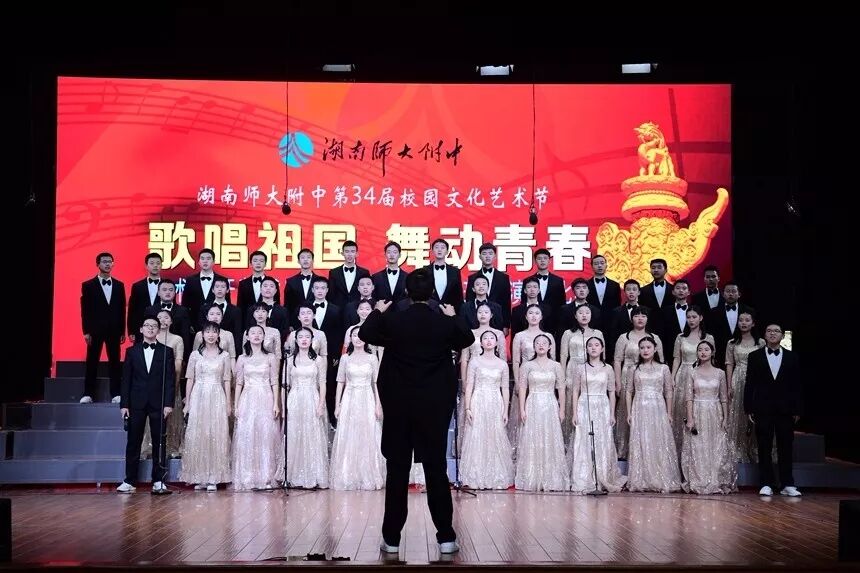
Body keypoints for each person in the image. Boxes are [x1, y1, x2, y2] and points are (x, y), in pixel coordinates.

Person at [359, 269, 474, 555]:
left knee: (397, 472)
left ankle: (392, 539)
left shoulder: (393, 320)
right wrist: (452, 316)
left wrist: (377, 311)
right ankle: (446, 537)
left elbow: (365, 333)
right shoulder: (442, 322)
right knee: (436, 471)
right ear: (432, 293)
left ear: (406, 293)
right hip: (433, 409)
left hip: (399, 408)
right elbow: (466, 338)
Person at [116, 316, 175, 494]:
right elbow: (126, 379)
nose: (150, 328)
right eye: (147, 326)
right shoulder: (131, 351)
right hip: (136, 402)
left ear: (158, 330)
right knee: (133, 441)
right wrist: (124, 404)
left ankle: (158, 480)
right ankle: (129, 480)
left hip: (159, 402)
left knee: (159, 442)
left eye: (154, 326)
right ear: (141, 329)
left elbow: (170, 380)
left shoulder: (166, 351)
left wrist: (168, 403)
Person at [744, 323, 803, 497]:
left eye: (776, 331)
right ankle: (765, 483)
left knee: (786, 446)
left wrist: (798, 409)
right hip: (762, 408)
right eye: (769, 331)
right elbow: (750, 383)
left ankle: (787, 483)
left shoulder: (792, 357)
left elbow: (797, 385)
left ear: (782, 336)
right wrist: (748, 408)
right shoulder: (754, 356)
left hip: (786, 409)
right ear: (764, 335)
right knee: (764, 446)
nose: (772, 333)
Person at [568, 337, 626, 494]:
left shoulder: (608, 369)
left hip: (602, 405)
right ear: (586, 349)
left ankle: (602, 475)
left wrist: (612, 413)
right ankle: (585, 477)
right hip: (584, 405)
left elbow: (612, 392)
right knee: (584, 440)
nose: (593, 348)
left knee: (602, 440)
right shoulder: (580, 368)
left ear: (602, 348)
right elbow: (575, 391)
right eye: (590, 345)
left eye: (596, 345)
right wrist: (574, 413)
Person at [330, 326, 385, 490]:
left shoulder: (372, 358)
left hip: (367, 398)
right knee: (349, 434)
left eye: (360, 335)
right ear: (350, 339)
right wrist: (337, 405)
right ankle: (348, 475)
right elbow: (340, 382)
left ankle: (369, 475)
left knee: (368, 433)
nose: (358, 338)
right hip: (350, 398)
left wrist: (378, 405)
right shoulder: (345, 358)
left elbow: (376, 383)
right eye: (354, 335)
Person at [181, 321, 232, 491]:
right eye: (207, 331)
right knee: (198, 433)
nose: (211, 335)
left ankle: (214, 477)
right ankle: (199, 476)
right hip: (199, 395)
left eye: (214, 332)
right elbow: (190, 379)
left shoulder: (225, 356)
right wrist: (188, 402)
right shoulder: (195, 355)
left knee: (216, 433)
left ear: (218, 335)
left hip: (217, 395)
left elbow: (227, 379)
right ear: (202, 335)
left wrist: (228, 403)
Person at [459, 330, 514, 490]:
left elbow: (505, 388)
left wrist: (505, 410)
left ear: (496, 343)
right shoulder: (475, 362)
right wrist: (467, 407)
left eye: (492, 338)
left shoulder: (502, 364)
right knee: (477, 435)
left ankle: (495, 476)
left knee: (495, 435)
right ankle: (476, 476)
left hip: (495, 402)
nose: (489, 341)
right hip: (478, 400)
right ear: (481, 343)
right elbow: (469, 385)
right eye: (485, 338)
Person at [681, 341, 737, 495]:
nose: (703, 352)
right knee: (698, 445)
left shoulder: (720, 373)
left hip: (715, 412)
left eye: (706, 349)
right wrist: (690, 418)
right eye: (700, 350)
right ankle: (699, 479)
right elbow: (689, 397)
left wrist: (725, 418)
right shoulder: (692, 372)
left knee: (716, 446)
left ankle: (716, 479)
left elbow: (724, 398)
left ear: (712, 352)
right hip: (698, 411)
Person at [232, 325, 283, 490]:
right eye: (252, 333)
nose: (256, 336)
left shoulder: (271, 358)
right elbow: (238, 383)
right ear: (247, 337)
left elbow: (275, 381)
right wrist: (236, 405)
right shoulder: (242, 358)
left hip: (266, 397)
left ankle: (266, 477)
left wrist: (276, 403)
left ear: (263, 337)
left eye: (259, 333)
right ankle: (248, 477)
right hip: (247, 399)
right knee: (247, 436)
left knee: (266, 436)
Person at [284, 327, 330, 489]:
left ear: (312, 340)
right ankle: (293, 475)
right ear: (296, 340)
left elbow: (322, 383)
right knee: (295, 434)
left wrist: (321, 404)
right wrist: (284, 404)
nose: (304, 340)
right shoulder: (290, 360)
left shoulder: (318, 360)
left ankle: (313, 475)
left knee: (312, 434)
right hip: (295, 398)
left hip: (312, 398)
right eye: (301, 337)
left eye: (307, 337)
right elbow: (285, 385)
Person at [80, 252, 126, 404]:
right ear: (97, 264)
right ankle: (88, 393)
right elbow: (85, 310)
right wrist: (86, 331)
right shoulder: (88, 285)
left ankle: (116, 393)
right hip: (95, 330)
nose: (107, 264)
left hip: (114, 330)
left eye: (110, 261)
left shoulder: (119, 285)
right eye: (104, 261)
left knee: (115, 362)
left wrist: (122, 331)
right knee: (92, 362)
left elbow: (122, 310)